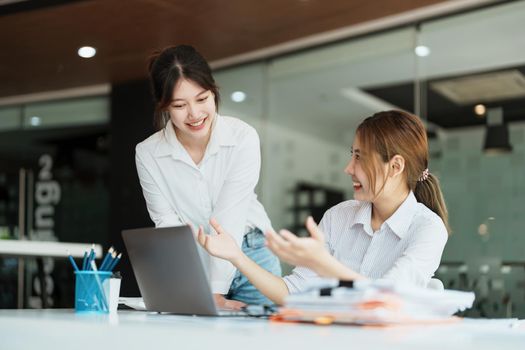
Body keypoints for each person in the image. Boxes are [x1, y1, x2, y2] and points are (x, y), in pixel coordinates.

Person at [198, 110, 449, 305]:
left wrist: (322, 264)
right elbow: (291, 293)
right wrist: (236, 256)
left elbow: (385, 300)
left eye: (360, 157)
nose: (349, 168)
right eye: (352, 154)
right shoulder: (338, 216)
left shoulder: (428, 229)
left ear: (395, 167)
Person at [135, 45, 281, 309]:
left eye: (202, 99)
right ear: (164, 106)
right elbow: (166, 224)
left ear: (213, 92)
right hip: (196, 263)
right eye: (180, 105)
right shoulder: (148, 153)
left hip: (252, 257)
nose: (194, 114)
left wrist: (216, 291)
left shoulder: (242, 138)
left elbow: (229, 219)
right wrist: (191, 286)